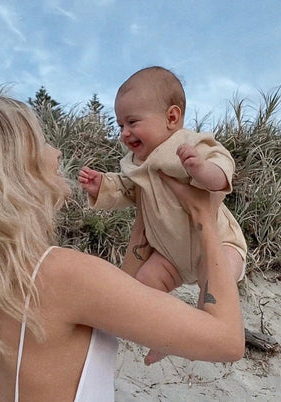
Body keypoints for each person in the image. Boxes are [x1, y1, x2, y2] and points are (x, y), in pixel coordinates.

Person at [0, 89, 244, 402]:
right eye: (42, 141)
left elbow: (116, 292)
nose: (56, 152)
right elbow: (228, 340)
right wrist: (205, 217)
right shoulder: (63, 274)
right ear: (12, 167)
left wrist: (145, 215)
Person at [79, 66, 247, 364]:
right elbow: (128, 190)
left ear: (171, 117)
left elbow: (223, 165)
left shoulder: (188, 144)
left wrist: (202, 170)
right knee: (143, 284)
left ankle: (194, 333)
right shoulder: (136, 163)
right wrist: (101, 186)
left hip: (219, 244)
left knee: (215, 289)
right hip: (170, 254)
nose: (124, 133)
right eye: (120, 125)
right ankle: (164, 334)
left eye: (132, 122)